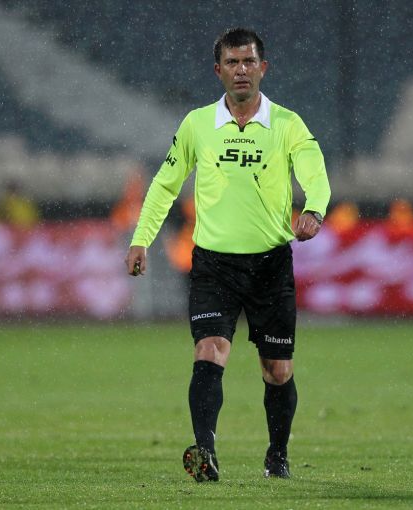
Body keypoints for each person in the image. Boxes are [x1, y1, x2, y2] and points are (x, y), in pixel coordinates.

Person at [125, 27, 330, 482]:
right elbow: (165, 184)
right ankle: (205, 452)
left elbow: (315, 172)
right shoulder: (197, 124)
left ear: (263, 68)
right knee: (209, 350)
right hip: (214, 264)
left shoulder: (287, 124)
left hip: (270, 264)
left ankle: (277, 455)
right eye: (232, 62)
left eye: (248, 61)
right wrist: (141, 239)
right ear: (218, 70)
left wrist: (315, 209)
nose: (241, 70)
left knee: (277, 370)